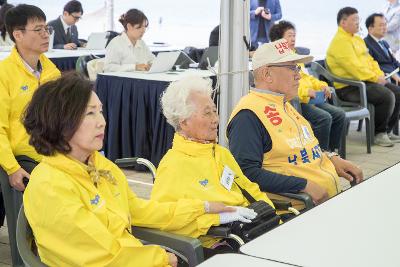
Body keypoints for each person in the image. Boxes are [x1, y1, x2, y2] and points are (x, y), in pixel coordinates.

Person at [22, 72, 239, 266]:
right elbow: (101, 257)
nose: (102, 122)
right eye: (90, 114)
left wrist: (203, 208)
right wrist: (162, 258)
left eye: (101, 111)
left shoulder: (100, 166)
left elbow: (142, 212)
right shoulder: (50, 186)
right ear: (60, 121)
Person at [151, 75, 276, 257]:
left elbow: (250, 189)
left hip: (251, 231)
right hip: (217, 244)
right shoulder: (173, 165)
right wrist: (219, 218)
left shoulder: (220, 153)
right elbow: (165, 221)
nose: (216, 119)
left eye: (215, 111)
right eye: (207, 113)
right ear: (184, 121)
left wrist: (273, 218)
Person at [227, 39, 363, 205]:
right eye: (292, 67)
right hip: (297, 212)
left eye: (297, 67)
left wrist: (331, 158)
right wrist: (303, 185)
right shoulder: (248, 114)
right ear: (267, 74)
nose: (298, 74)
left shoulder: (284, 104)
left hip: (324, 203)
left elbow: (297, 149)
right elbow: (245, 173)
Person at [0, 4, 60, 192]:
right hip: (21, 159)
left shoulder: (52, 71)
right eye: (38, 29)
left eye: (46, 28)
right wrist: (12, 168)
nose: (46, 34)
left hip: (52, 154)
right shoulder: (4, 74)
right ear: (18, 35)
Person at [326, 7, 400, 147]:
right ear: (343, 22)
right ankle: (378, 134)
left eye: (358, 19)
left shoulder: (357, 39)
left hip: (365, 81)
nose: (358, 22)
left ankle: (388, 131)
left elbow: (370, 61)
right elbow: (354, 69)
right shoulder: (340, 42)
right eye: (354, 20)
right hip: (349, 87)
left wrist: (378, 74)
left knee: (397, 92)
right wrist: (375, 78)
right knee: (386, 95)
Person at [269, 20, 346, 152]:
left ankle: (333, 152)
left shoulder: (295, 56)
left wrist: (322, 85)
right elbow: (284, 86)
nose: (293, 39)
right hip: (294, 102)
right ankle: (320, 154)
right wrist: (305, 92)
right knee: (324, 118)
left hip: (310, 99)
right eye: (289, 36)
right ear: (278, 40)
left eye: (294, 35)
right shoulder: (277, 60)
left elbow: (307, 77)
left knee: (339, 114)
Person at [365, 13, 400, 84]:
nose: (385, 28)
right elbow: (371, 66)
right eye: (381, 25)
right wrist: (388, 74)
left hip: (396, 73)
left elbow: (394, 62)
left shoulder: (384, 43)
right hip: (387, 78)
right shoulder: (365, 44)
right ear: (370, 29)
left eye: (385, 24)